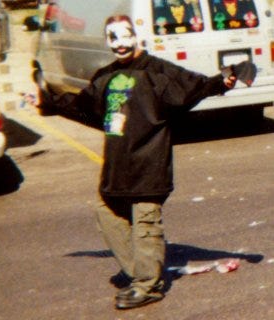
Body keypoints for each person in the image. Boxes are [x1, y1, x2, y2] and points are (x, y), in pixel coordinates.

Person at [38, 14, 237, 309]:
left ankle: (148, 285)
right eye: (113, 38)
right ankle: (139, 272)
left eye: (124, 36)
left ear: (136, 36)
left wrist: (223, 81)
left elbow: (193, 86)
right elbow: (84, 106)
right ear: (107, 41)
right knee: (107, 214)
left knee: (145, 223)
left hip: (149, 163)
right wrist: (47, 101)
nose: (120, 44)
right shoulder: (104, 76)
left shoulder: (157, 71)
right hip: (117, 166)